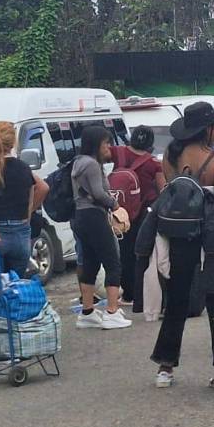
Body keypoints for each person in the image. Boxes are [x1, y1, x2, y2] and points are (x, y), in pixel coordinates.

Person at [148, 102, 214, 389]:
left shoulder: (170, 157)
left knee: (177, 297)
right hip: (211, 236)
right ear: (207, 129)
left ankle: (165, 367)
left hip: (178, 233)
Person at [71, 125, 132, 329]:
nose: (109, 147)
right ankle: (112, 312)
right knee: (112, 262)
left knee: (90, 262)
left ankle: (87, 311)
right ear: (97, 144)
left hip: (80, 216)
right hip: (94, 216)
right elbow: (98, 193)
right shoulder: (92, 165)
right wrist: (116, 206)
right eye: (106, 143)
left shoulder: (78, 162)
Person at [0, 121, 48, 281]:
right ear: (13, 142)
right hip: (21, 235)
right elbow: (38, 191)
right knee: (15, 288)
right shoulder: (23, 167)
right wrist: (24, 218)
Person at [110, 125, 165, 310]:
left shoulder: (118, 153)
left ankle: (128, 294)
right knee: (142, 252)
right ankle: (141, 293)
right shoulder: (154, 163)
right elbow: (162, 189)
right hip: (144, 212)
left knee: (124, 253)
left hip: (120, 211)